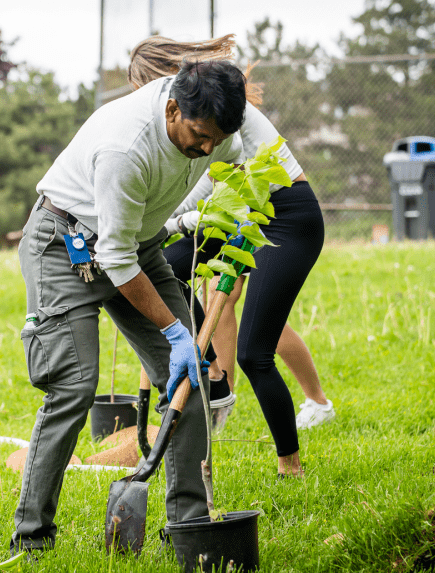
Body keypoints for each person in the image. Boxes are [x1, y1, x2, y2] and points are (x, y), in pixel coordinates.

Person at [11, 60, 247, 555]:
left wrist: (217, 215)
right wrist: (175, 332)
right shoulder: (125, 147)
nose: (206, 147)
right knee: (73, 387)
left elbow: (229, 168)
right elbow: (114, 261)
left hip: (132, 242)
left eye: (216, 138)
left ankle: (189, 525)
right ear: (171, 108)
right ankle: (31, 540)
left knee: (189, 380)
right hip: (63, 243)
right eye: (199, 134)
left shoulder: (215, 130)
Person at [128, 35, 335, 478]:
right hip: (241, 214)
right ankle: (211, 377)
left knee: (254, 352)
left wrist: (170, 223)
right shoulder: (192, 109)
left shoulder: (223, 109)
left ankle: (290, 465)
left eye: (148, 86)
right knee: (164, 270)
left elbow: (218, 183)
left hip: (286, 218)